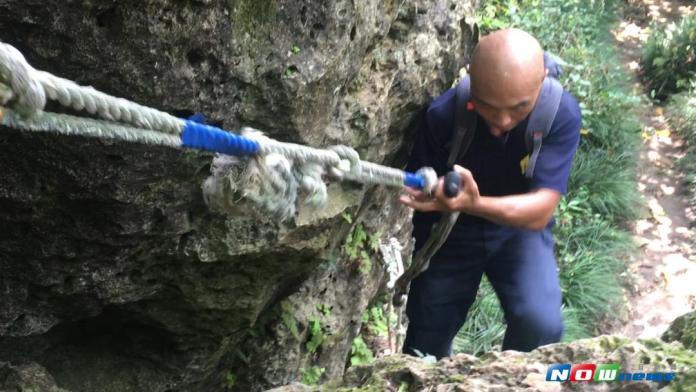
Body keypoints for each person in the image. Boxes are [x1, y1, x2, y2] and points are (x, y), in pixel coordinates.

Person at [399, 28, 582, 358]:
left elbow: (541, 210)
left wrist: (474, 203)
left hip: (518, 231)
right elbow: (420, 180)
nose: (501, 122)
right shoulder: (444, 116)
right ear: (471, 80)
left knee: (540, 324)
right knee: (426, 335)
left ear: (541, 80)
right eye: (486, 106)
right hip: (450, 232)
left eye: (519, 108)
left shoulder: (558, 114)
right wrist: (430, 193)